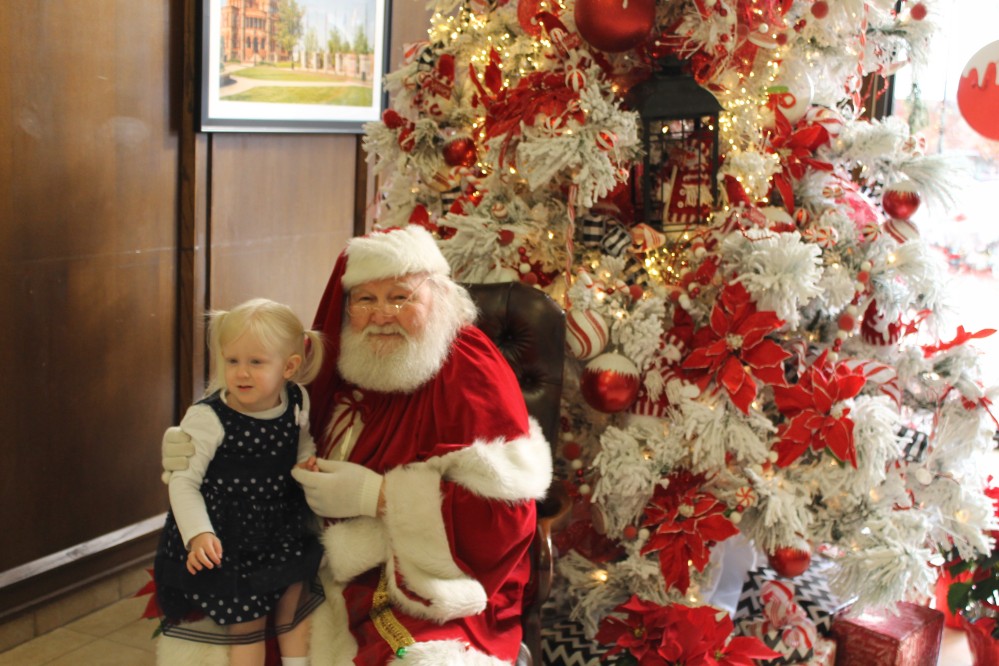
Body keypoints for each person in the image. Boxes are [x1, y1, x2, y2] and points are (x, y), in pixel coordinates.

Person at [162, 225, 553, 665]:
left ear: (438, 298)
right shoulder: (345, 356)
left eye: (401, 297)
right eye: (365, 299)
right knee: (204, 646)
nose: (382, 314)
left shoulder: (468, 365)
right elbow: (256, 421)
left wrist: (380, 497)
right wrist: (196, 450)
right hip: (310, 561)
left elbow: (505, 518)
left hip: (423, 579)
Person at [155, 298, 326, 666]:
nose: (241, 373)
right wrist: (199, 533)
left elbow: (301, 442)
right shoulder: (209, 418)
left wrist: (305, 465)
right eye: (232, 361)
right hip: (227, 536)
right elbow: (183, 483)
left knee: (292, 604)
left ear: (289, 367)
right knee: (248, 623)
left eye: (256, 362)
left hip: (281, 526)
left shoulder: (296, 399)